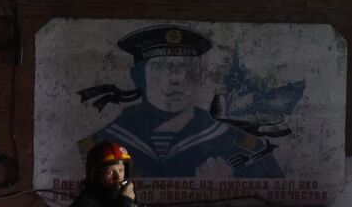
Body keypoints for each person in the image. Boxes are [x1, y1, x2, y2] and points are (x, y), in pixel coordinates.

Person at [77, 24, 284, 179]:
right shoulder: (103, 142)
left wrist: (230, 188)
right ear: (139, 77)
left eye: (184, 68)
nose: (175, 79)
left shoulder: (238, 145)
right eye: (160, 67)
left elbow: (275, 192)